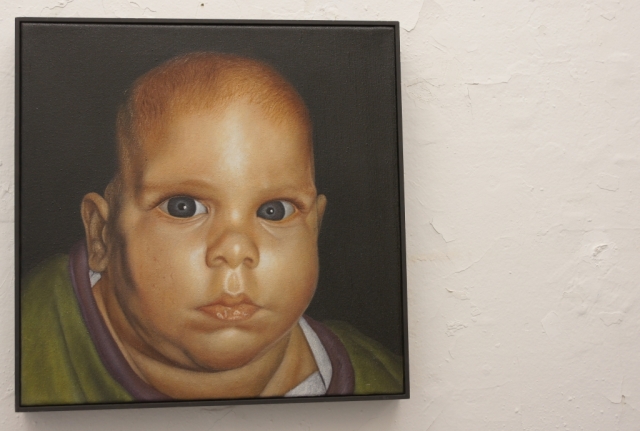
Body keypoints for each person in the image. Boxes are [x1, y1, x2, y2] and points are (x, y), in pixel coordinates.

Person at [20, 53, 403, 406]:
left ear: (314, 229)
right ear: (102, 235)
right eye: (183, 207)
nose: (235, 250)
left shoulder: (378, 377)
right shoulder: (27, 345)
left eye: (274, 211)